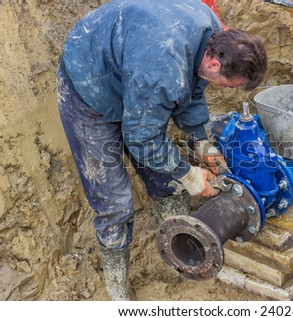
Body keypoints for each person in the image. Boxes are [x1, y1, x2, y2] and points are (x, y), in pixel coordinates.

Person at [57, 0, 267, 300]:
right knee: (115, 203)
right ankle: (118, 294)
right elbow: (142, 139)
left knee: (167, 182)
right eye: (228, 85)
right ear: (215, 63)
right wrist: (192, 176)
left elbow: (193, 88)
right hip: (90, 82)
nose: (224, 89)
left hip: (135, 65)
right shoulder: (162, 68)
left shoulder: (212, 33)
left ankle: (179, 250)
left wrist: (201, 142)